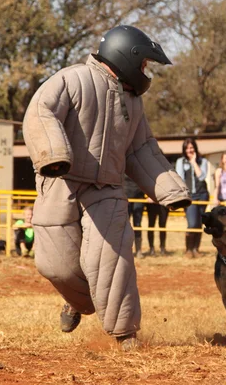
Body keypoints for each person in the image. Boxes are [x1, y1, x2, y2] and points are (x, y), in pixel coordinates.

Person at [22, 25, 191, 350]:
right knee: (55, 265)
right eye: (144, 65)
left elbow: (141, 150)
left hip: (108, 189)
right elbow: (39, 112)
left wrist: (171, 190)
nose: (146, 73)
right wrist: (54, 154)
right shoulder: (73, 79)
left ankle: (126, 335)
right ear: (127, 56)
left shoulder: (133, 104)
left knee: (112, 259)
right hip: (61, 180)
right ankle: (80, 303)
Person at [175, 138, 209, 258]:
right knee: (192, 223)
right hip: (189, 196)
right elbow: (180, 179)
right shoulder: (180, 161)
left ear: (195, 148)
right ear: (184, 150)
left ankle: (196, 249)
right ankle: (188, 249)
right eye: (187, 148)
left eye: (191, 147)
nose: (190, 150)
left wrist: (194, 162)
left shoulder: (202, 161)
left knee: (199, 223)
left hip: (202, 194)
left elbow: (201, 177)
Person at [124, 175, 146, 259]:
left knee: (137, 224)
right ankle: (126, 250)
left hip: (139, 197)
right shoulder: (122, 164)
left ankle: (138, 250)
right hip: (125, 196)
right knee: (125, 225)